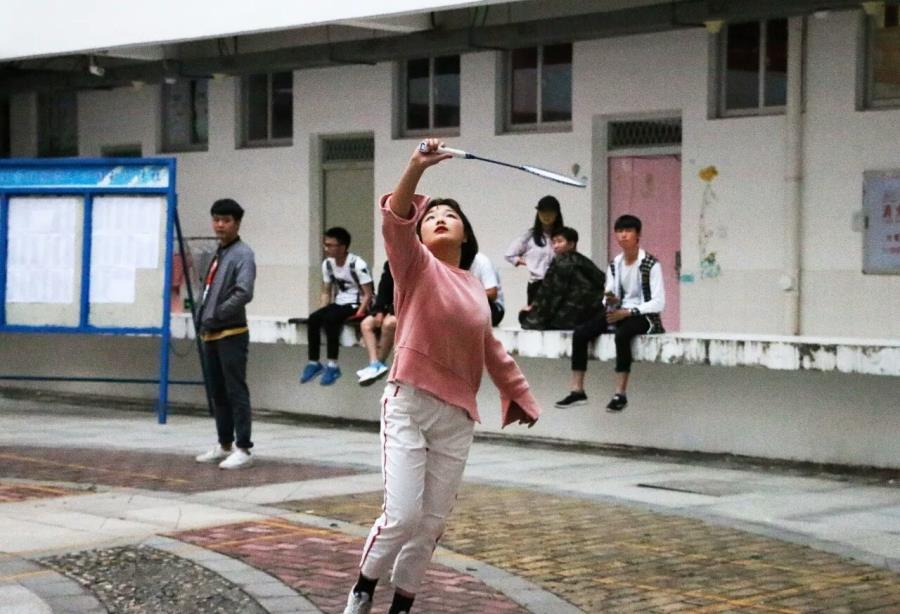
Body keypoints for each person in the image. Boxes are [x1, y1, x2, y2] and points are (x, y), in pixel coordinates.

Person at [342, 139, 540, 614]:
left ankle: (402, 604)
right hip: (408, 404)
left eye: (451, 215)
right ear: (420, 232)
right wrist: (416, 166)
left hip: (457, 418)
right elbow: (396, 219)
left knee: (430, 524)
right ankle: (363, 589)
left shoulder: (474, 288)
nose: (440, 218)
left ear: (466, 235)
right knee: (402, 516)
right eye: (431, 216)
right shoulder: (414, 267)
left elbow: (491, 350)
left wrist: (520, 396)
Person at [554, 214, 665, 412]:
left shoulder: (651, 264)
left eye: (628, 231)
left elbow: (658, 302)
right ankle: (577, 390)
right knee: (581, 333)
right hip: (618, 311)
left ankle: (620, 393)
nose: (623, 235)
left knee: (622, 336)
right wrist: (610, 300)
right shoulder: (615, 264)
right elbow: (608, 294)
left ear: (638, 235)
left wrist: (629, 311)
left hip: (643, 316)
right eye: (620, 231)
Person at [194, 198, 257, 470]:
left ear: (237, 223)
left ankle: (244, 447)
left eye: (226, 220)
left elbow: (244, 292)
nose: (220, 225)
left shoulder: (243, 254)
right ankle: (224, 443)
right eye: (216, 219)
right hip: (211, 332)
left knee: (235, 390)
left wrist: (217, 313)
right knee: (218, 391)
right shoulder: (218, 252)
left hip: (231, 331)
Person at [300, 227, 374, 386]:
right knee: (314, 319)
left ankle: (333, 365)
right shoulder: (327, 264)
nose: (326, 248)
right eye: (325, 244)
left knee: (332, 319)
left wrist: (359, 314)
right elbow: (326, 291)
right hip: (340, 303)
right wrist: (322, 310)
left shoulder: (357, 264)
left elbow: (368, 294)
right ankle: (313, 362)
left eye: (330, 245)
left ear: (342, 247)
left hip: (357, 304)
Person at [519, 226, 605, 330]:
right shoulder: (584, 261)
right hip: (595, 313)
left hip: (573, 314)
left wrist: (535, 313)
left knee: (525, 317)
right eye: (553, 242)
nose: (555, 246)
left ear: (571, 244)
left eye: (559, 242)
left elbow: (554, 294)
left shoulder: (563, 262)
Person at [504, 195, 564, 304]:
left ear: (557, 214)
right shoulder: (530, 236)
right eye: (542, 212)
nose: (546, 216)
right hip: (537, 285)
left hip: (558, 284)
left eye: (550, 212)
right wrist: (529, 262)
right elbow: (509, 255)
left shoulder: (563, 236)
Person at [356, 261, 397, 386]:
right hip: (392, 308)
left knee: (389, 324)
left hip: (409, 310)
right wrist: (380, 311)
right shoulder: (390, 264)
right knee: (366, 324)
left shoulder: (419, 262)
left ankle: (380, 362)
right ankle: (374, 364)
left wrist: (392, 312)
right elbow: (384, 289)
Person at [469, 252, 506, 326]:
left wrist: (466, 296)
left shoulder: (482, 262)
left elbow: (492, 293)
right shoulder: (451, 261)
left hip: (493, 308)